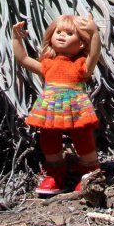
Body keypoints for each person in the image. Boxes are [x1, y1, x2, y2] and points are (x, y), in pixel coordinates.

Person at [12, 14, 102, 196]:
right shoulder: (48, 65)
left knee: (82, 135)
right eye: (58, 32)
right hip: (51, 106)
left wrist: (94, 34)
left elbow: (95, 54)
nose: (62, 35)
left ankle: (90, 171)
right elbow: (23, 59)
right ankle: (55, 172)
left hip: (75, 106)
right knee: (49, 137)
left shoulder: (81, 65)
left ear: (82, 43)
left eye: (69, 33)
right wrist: (16, 39)